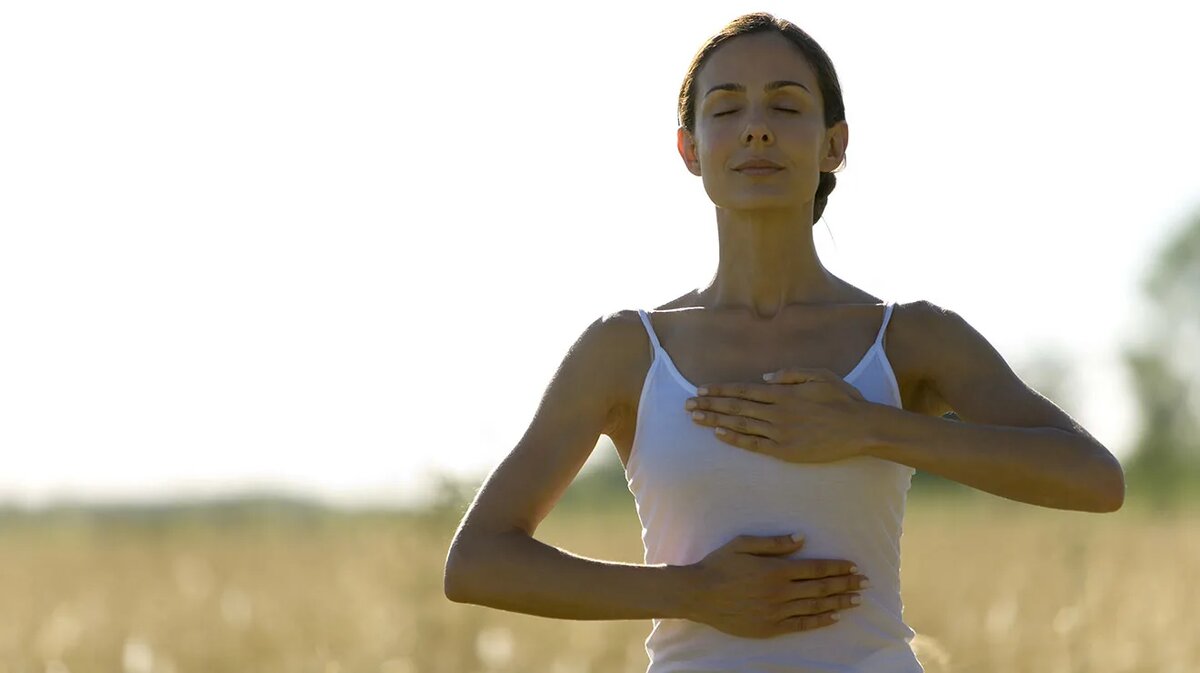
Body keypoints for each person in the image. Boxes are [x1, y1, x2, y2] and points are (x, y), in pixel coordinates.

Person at [443, 12, 1125, 672]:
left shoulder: (913, 337)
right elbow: (477, 560)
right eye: (727, 108)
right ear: (690, 148)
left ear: (835, 145)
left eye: (787, 106)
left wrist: (871, 427)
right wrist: (689, 591)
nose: (757, 130)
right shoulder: (625, 349)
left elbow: (1095, 479)